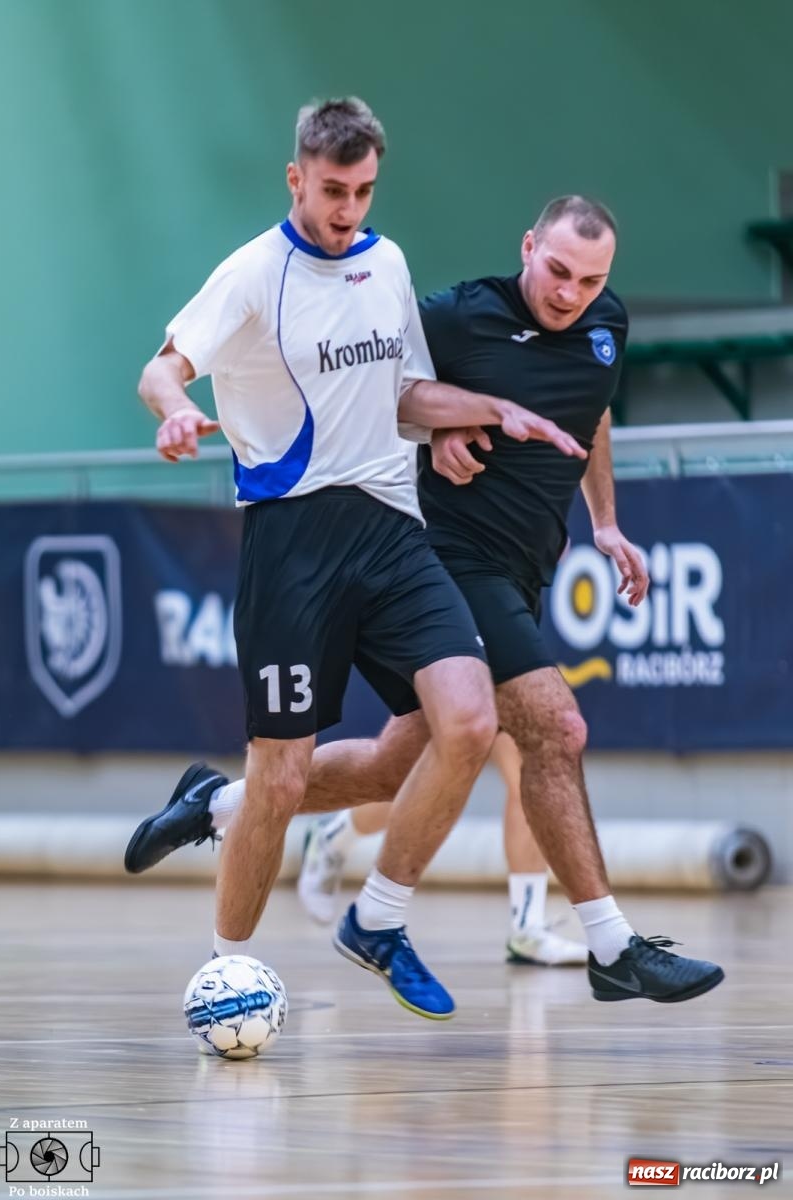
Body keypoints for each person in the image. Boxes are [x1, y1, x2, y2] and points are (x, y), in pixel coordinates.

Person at [128, 191, 725, 1005]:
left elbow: (593, 412)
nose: (569, 293)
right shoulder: (458, 317)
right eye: (556, 271)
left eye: (589, 280)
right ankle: (602, 942)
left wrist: (607, 522)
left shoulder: (604, 325)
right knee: (555, 726)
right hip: (448, 558)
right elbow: (395, 391)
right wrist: (440, 431)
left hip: (526, 568)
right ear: (527, 247)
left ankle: (215, 803)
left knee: (388, 767)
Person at [132, 98, 586, 1022]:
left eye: (364, 189)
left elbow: (407, 394)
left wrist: (482, 416)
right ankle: (227, 972)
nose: (347, 208)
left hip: (390, 528)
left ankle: (375, 920)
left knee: (460, 725)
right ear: (297, 178)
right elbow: (163, 367)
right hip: (293, 542)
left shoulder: (387, 264)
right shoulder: (255, 275)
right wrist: (174, 410)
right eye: (332, 189)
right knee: (286, 775)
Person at [297, 731, 588, 966]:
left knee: (529, 769)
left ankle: (528, 929)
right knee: (432, 778)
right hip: (457, 666)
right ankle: (333, 836)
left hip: (505, 664)